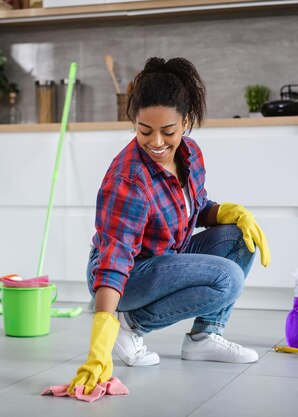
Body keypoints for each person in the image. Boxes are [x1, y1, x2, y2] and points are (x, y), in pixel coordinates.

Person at [68, 57, 271, 394]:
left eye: (168, 131)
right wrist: (99, 344)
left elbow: (194, 209)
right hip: (127, 274)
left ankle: (204, 337)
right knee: (227, 278)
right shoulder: (128, 179)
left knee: (238, 238)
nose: (157, 142)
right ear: (135, 122)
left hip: (166, 256)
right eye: (145, 130)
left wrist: (226, 212)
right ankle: (128, 324)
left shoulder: (190, 153)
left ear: (186, 122)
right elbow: (114, 258)